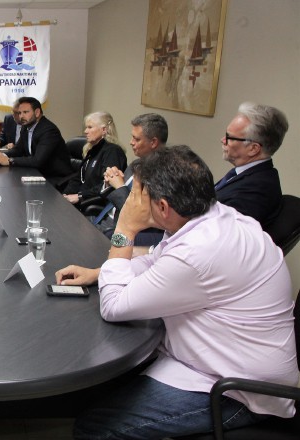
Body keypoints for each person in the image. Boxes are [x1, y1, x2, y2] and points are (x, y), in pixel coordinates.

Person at [59, 146, 297, 439]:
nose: (133, 199)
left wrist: (125, 226)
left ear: (162, 208)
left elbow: (113, 305)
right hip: (217, 360)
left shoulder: (200, 251)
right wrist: (99, 273)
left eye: (137, 193)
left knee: (95, 427)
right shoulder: (215, 216)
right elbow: (157, 259)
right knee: (102, 385)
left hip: (237, 391)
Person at [93, 113, 168, 246]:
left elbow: (138, 216)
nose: (131, 142)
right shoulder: (137, 163)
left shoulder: (163, 173)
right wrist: (109, 182)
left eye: (136, 139)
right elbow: (111, 198)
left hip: (119, 233)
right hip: (101, 220)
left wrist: (120, 187)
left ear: (153, 142)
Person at [216, 102, 287, 229]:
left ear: (253, 148)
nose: (223, 140)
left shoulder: (258, 189)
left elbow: (222, 233)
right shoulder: (247, 174)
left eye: (230, 137)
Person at [0, 96, 73, 184]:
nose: (21, 116)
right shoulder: (26, 127)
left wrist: (10, 161)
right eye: (20, 113)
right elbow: (18, 150)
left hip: (55, 178)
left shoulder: (49, 131)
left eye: (25, 112)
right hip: (36, 174)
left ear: (37, 112)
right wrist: (0, 156)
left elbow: (37, 160)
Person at [62, 111, 127, 205]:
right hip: (79, 200)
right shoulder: (92, 149)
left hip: (92, 205)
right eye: (86, 127)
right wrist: (64, 195)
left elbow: (107, 185)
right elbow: (78, 178)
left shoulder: (113, 151)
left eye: (90, 127)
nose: (85, 131)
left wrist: (80, 196)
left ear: (104, 130)